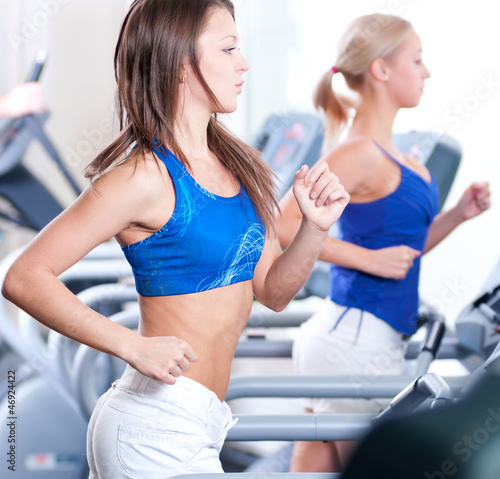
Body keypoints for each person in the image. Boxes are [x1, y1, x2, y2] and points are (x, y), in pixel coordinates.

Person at [1, 1, 349, 478]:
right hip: (151, 426)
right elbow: (23, 276)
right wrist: (132, 345)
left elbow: (274, 292)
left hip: (200, 422)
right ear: (182, 63)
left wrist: (314, 227)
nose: (242, 62)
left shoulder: (244, 167)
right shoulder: (143, 176)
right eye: (227, 49)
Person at [276, 13, 491, 473]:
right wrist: (367, 259)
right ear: (381, 70)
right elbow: (282, 225)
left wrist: (457, 215)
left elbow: (403, 255)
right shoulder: (359, 152)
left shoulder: (402, 155)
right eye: (416, 60)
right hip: (352, 343)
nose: (426, 72)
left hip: (362, 339)